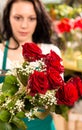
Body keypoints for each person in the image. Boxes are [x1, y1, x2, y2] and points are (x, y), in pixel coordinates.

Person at [0, 0, 63, 130]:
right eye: (18, 18)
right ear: (8, 18)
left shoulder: (51, 53)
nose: (24, 25)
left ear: (38, 20)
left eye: (31, 18)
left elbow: (58, 107)